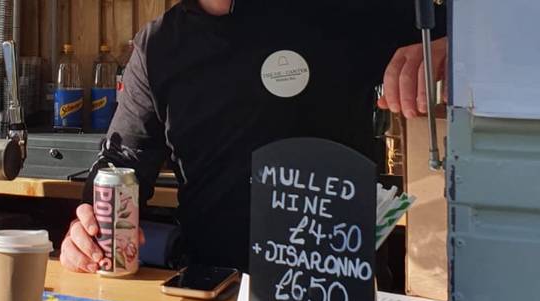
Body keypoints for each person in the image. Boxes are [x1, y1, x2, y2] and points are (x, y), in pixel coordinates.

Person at [60, 0, 448, 273]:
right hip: (214, 288)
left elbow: (471, 34)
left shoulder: (340, 12)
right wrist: (87, 230)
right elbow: (123, 161)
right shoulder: (159, 45)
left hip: (329, 289)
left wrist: (449, 50)